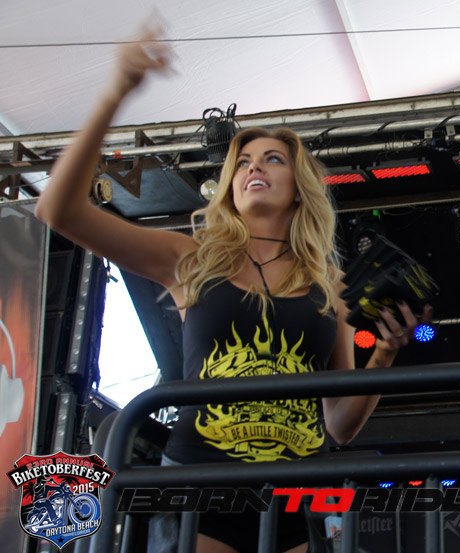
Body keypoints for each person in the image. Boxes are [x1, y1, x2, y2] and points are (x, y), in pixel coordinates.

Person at [35, 30, 432, 553]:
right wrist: (115, 94)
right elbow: (58, 210)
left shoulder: (328, 285)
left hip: (295, 490)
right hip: (202, 482)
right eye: (243, 162)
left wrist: (383, 356)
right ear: (229, 186)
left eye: (272, 159)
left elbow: (339, 426)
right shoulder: (191, 260)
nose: (253, 167)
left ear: (299, 187)